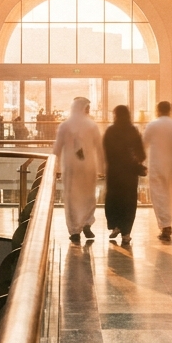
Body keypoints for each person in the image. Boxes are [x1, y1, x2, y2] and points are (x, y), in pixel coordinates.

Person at [52, 97, 104, 244]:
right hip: (88, 167)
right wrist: (102, 167)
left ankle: (74, 230)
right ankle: (87, 222)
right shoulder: (92, 125)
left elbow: (57, 149)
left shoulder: (65, 126)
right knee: (88, 196)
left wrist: (54, 168)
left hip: (70, 168)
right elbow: (99, 148)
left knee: (71, 199)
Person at [102, 105, 146, 246]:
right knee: (129, 202)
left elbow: (106, 153)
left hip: (114, 173)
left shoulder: (110, 131)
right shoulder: (133, 131)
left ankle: (116, 225)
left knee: (114, 200)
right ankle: (126, 233)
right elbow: (141, 154)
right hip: (130, 174)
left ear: (115, 115)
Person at [143, 101, 172, 242]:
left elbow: (143, 144)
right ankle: (168, 221)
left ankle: (165, 225)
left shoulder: (152, 125)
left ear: (157, 110)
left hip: (158, 165)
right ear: (170, 110)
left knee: (159, 195)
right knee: (171, 194)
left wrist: (140, 162)